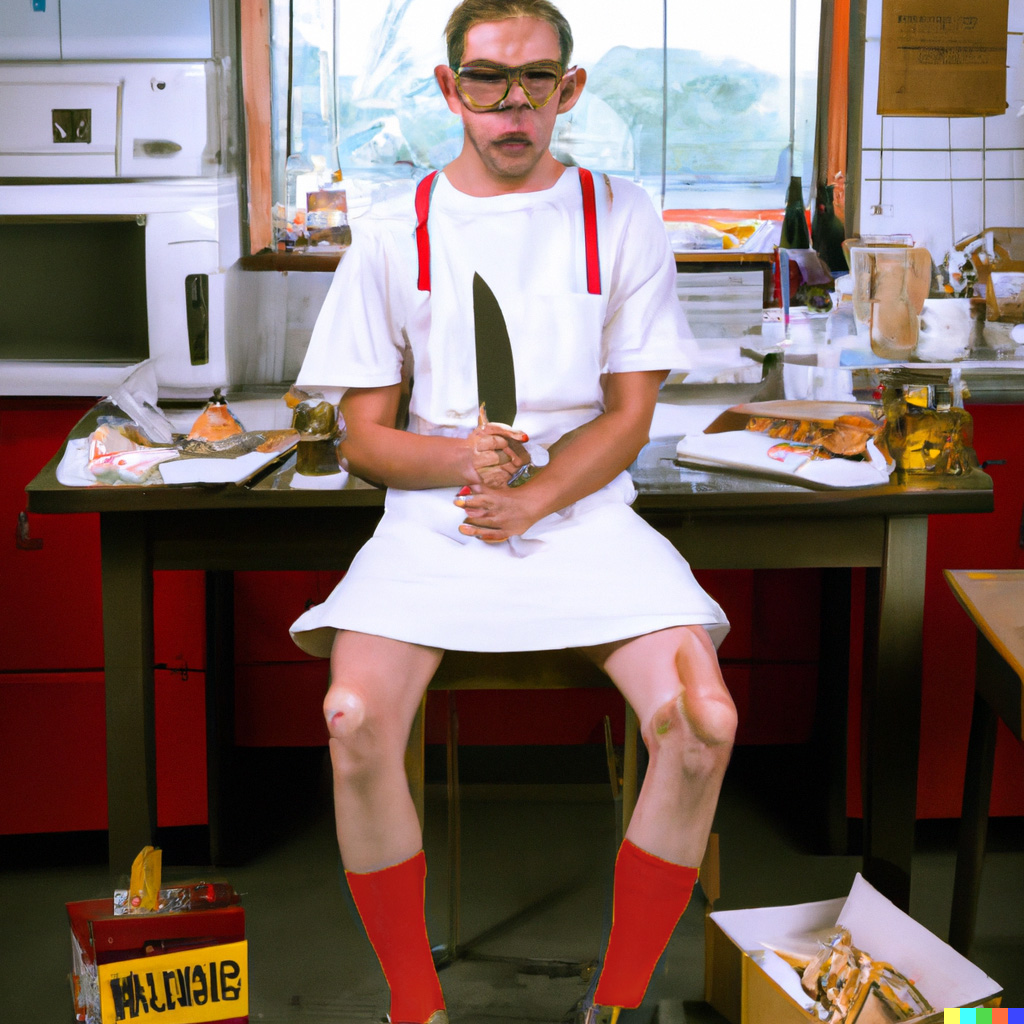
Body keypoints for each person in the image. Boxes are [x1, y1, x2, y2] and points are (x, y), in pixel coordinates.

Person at [288, 2, 737, 1022]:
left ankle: (614, 1005)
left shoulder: (618, 214)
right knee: (351, 720)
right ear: (450, 89)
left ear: (568, 90)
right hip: (433, 521)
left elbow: (628, 415)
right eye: (487, 78)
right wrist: (458, 459)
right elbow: (360, 437)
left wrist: (534, 494)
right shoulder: (393, 226)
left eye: (537, 78)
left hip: (587, 516)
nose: (512, 102)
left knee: (704, 723)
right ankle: (416, 1005)